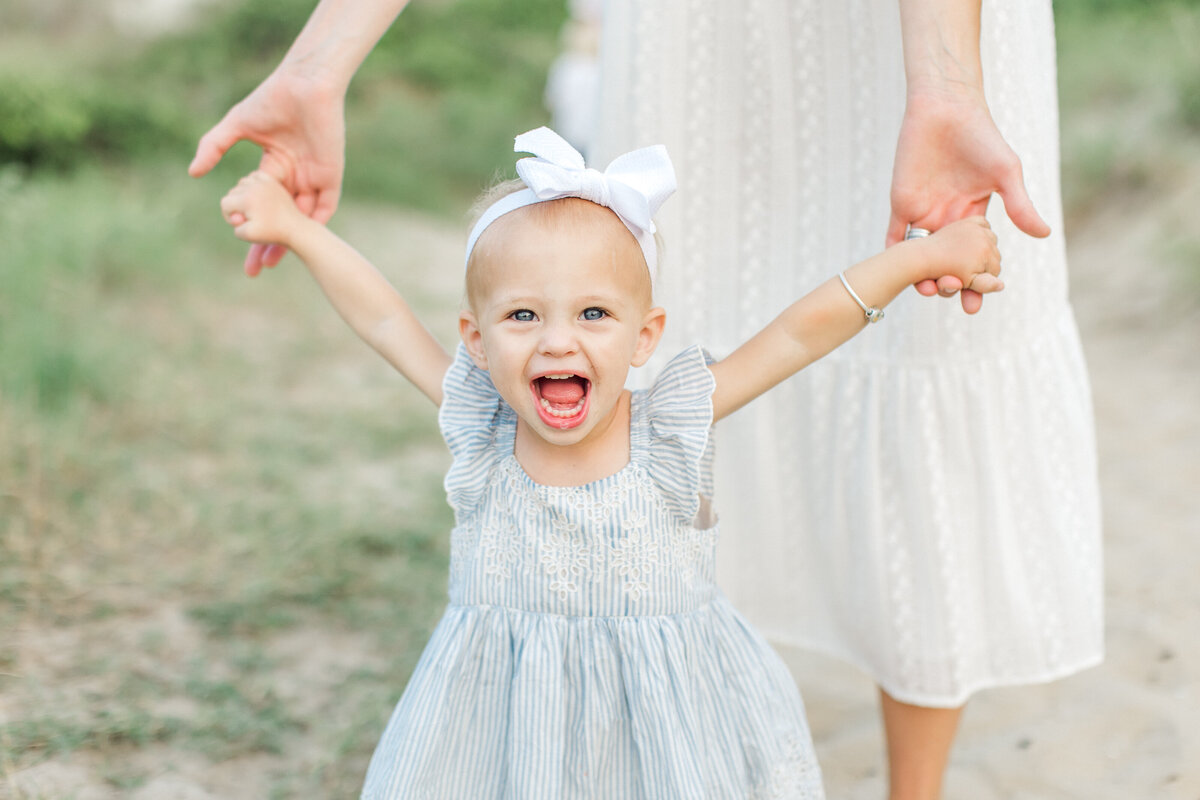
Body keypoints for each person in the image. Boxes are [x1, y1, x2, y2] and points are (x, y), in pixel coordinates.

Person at [190, 2, 1103, 797]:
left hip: (676, 740)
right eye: (521, 315)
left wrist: (915, 259)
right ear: (476, 339)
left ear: (645, 336)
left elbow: (796, 331)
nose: (558, 340)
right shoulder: (481, 425)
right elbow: (387, 321)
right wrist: (299, 233)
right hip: (509, 740)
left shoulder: (670, 423)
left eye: (593, 313)